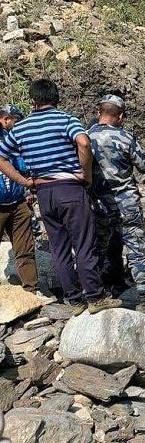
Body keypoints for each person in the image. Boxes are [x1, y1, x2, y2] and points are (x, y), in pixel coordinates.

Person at [0, 79, 120, 315]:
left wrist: (24, 181)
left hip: (44, 192)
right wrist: (85, 175)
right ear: (56, 99)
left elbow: (2, 158)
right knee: (84, 243)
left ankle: (74, 299)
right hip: (70, 188)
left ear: (33, 101)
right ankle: (95, 297)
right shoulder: (67, 119)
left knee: (59, 247)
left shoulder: (21, 128)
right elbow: (83, 142)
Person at [88, 95, 145, 311]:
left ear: (99, 112)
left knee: (97, 246)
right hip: (128, 202)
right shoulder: (126, 137)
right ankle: (143, 295)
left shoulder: (85, 137)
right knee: (136, 246)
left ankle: (96, 292)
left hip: (99, 203)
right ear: (121, 116)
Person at [0, 104, 37, 294]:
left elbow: (22, 163)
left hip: (17, 201)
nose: (18, 126)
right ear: (5, 119)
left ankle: (31, 290)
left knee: (25, 248)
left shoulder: (12, 138)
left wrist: (27, 190)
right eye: (16, 121)